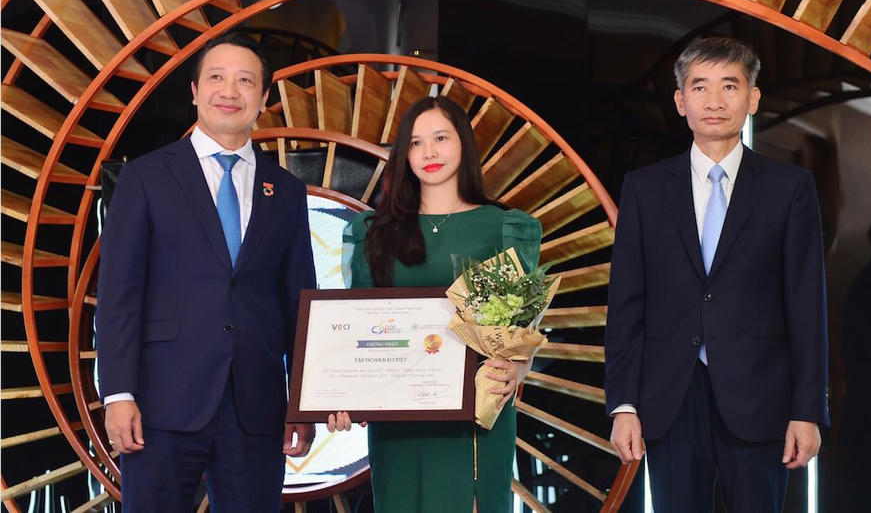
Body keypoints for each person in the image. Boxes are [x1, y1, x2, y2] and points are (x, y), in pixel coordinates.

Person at [604, 37, 830, 512]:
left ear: (752, 97)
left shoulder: (789, 188)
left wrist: (807, 410)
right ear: (680, 101)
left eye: (729, 86)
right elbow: (626, 304)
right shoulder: (645, 189)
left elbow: (806, 305)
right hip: (668, 397)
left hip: (762, 398)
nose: (714, 101)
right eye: (699, 87)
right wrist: (623, 404)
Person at [96, 32, 317, 512]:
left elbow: (300, 302)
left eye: (245, 81)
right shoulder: (145, 177)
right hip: (159, 403)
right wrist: (117, 393)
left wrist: (305, 399)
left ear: (264, 98)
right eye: (217, 77)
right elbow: (118, 296)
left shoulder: (286, 190)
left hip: (257, 406)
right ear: (195, 92)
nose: (230, 91)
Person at [331, 95, 542, 512]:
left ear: (464, 143)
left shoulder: (505, 227)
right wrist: (341, 393)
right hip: (397, 421)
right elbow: (356, 329)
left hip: (475, 418)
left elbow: (521, 334)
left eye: (441, 138)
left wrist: (516, 369)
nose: (429, 152)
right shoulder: (373, 232)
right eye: (415, 143)